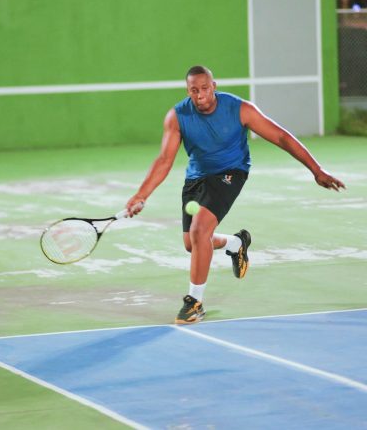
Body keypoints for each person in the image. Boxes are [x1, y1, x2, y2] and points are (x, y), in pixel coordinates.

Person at [126, 65, 345, 324]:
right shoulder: (177, 116)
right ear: (188, 91)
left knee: (199, 231)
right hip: (196, 178)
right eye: (194, 90)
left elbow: (281, 137)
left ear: (214, 86)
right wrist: (141, 195)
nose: (200, 95)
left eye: (205, 89)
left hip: (231, 172)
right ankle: (235, 243)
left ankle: (194, 302)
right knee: (192, 244)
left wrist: (316, 169)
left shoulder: (240, 109)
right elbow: (164, 160)